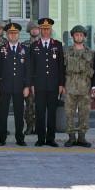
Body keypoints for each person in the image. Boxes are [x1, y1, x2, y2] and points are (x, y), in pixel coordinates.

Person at [29, 18, 66, 147]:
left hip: (53, 85)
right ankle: (40, 138)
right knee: (39, 112)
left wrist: (61, 84)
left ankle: (50, 139)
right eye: (43, 29)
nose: (45, 31)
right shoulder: (34, 46)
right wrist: (32, 84)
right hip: (39, 85)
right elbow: (31, 67)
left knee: (52, 113)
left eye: (48, 29)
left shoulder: (57, 45)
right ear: (40, 30)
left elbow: (61, 66)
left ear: (51, 30)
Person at [63, 26, 94, 148]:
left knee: (84, 113)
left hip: (85, 88)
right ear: (73, 37)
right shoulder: (67, 52)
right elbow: (62, 69)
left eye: (81, 35)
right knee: (69, 113)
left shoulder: (90, 53)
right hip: (70, 87)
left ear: (84, 37)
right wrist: (62, 85)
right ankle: (71, 138)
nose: (79, 37)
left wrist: (94, 87)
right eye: (76, 35)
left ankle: (82, 138)